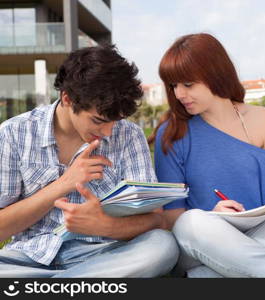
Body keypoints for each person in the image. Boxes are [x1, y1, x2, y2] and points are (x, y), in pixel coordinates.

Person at [149, 33, 265, 278]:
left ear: (214, 74)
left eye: (187, 84)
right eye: (173, 85)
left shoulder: (263, 119)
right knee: (192, 222)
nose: (179, 94)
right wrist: (214, 215)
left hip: (263, 232)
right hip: (202, 240)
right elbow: (173, 220)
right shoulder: (170, 134)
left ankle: (214, 275)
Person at [0, 44, 178, 277]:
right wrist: (63, 184)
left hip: (106, 255)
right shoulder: (14, 133)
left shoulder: (129, 136)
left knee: (162, 246)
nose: (108, 132)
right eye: (98, 121)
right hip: (28, 259)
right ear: (67, 98)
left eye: (115, 121)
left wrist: (104, 225)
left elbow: (156, 219)